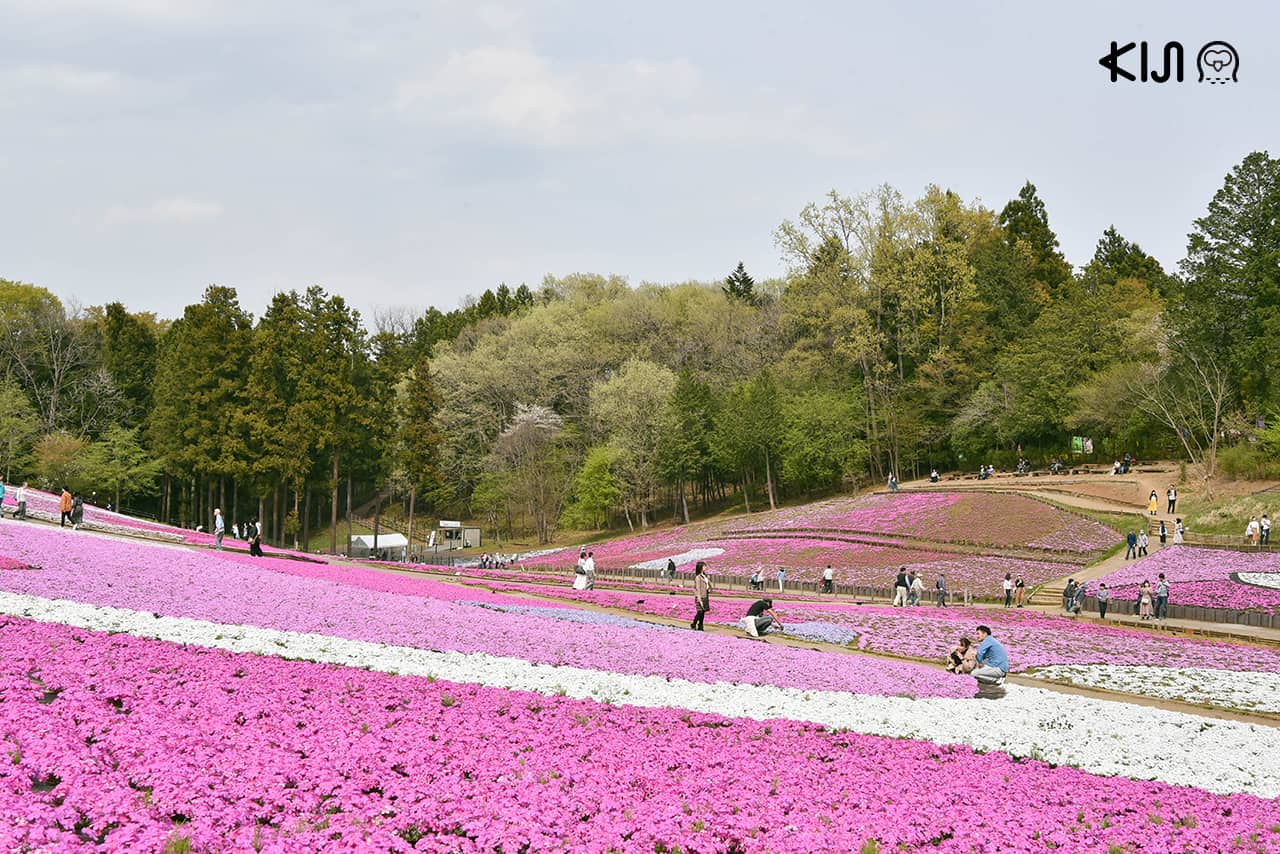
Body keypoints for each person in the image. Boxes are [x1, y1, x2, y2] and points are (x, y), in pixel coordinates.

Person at [690, 562, 711, 631]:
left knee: (703, 611)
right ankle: (694, 623)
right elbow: (697, 588)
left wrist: (709, 587)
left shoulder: (705, 576)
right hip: (700, 596)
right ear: (700, 567)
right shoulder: (698, 577)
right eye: (704, 566)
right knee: (700, 611)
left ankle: (700, 625)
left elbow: (708, 585)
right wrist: (699, 599)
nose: (705, 567)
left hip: (705, 595)